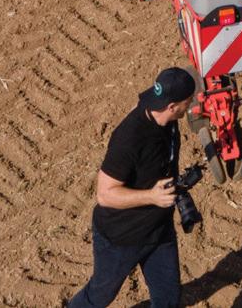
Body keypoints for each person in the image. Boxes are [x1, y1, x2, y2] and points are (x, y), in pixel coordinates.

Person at [65, 67, 194, 308]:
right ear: (172, 106)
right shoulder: (129, 138)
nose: (191, 105)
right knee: (100, 295)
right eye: (188, 102)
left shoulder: (165, 117)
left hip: (158, 230)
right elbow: (105, 194)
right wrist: (152, 196)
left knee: (168, 298)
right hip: (121, 237)